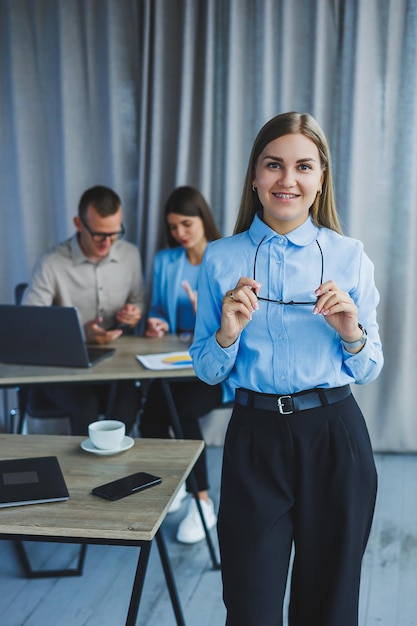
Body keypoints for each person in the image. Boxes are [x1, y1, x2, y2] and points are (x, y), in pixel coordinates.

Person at [190, 112, 384, 626]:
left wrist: (351, 332)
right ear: (255, 176)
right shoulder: (219, 258)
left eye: (304, 166)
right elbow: (207, 371)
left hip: (334, 438)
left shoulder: (350, 256)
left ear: (321, 179)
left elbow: (369, 368)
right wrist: (227, 334)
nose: (287, 180)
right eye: (274, 165)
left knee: (329, 607)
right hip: (254, 440)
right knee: (250, 608)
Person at [140, 185, 231, 544]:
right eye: (173, 226)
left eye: (186, 224)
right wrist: (156, 323)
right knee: (149, 416)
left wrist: (205, 317)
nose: (179, 233)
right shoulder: (165, 261)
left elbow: (240, 324)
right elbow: (158, 311)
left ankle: (203, 500)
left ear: (202, 220)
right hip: (172, 363)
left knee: (181, 410)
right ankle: (173, 482)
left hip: (213, 364)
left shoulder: (224, 258)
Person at [23, 185, 145, 435]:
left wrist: (134, 313)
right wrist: (81, 334)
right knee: (85, 406)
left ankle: (116, 473)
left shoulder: (130, 255)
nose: (108, 243)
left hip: (115, 364)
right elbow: (28, 325)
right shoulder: (52, 263)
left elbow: (139, 301)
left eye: (114, 234)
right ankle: (88, 474)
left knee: (128, 403)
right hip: (64, 369)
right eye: (99, 235)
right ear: (79, 223)